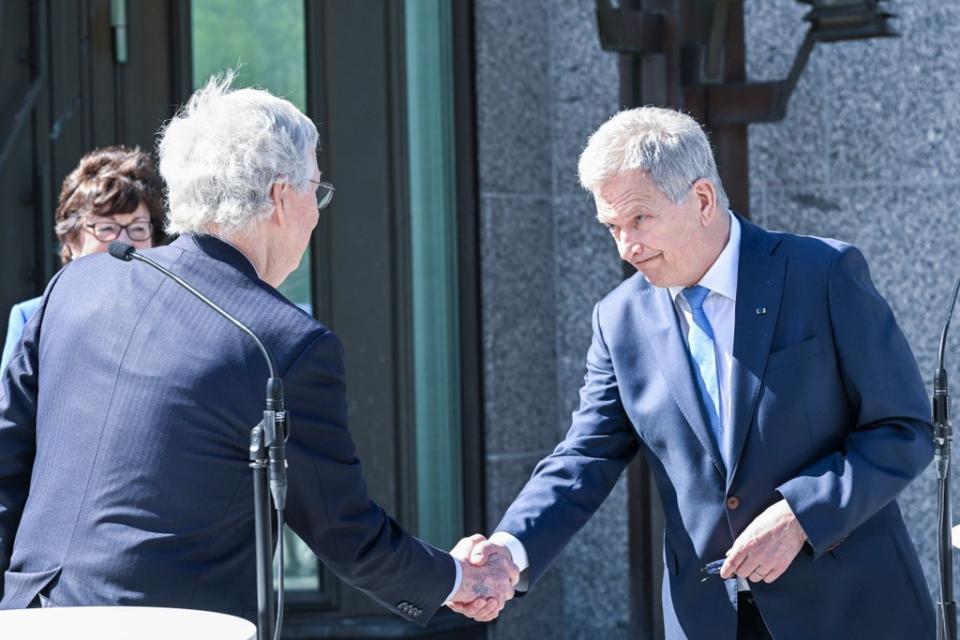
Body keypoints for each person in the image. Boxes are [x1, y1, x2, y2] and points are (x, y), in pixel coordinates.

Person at [0, 73, 516, 625]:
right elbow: (344, 531)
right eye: (316, 190)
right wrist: (460, 578)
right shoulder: (284, 344)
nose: (317, 212)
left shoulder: (76, 287)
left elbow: (7, 460)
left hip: (27, 617)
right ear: (279, 197)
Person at [452, 107, 936, 638]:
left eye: (640, 219)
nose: (626, 248)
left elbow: (904, 429)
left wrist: (801, 515)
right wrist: (507, 551)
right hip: (709, 618)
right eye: (611, 226)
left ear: (702, 199)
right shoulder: (619, 320)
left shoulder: (822, 274)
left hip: (852, 610)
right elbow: (584, 457)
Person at [0, 146, 166, 371]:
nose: (125, 241)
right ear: (72, 239)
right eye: (107, 228)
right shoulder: (32, 318)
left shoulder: (168, 316)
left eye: (138, 228)